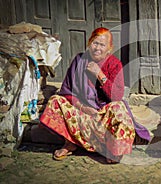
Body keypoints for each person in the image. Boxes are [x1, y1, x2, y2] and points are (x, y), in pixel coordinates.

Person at [40, 27, 150, 163]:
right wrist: (83, 107)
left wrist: (99, 74)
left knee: (119, 109)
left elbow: (116, 97)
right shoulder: (79, 61)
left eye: (102, 45)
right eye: (95, 43)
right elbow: (66, 91)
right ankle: (70, 143)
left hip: (103, 116)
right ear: (89, 44)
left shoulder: (114, 64)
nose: (97, 48)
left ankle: (112, 150)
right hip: (82, 112)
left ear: (109, 48)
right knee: (55, 101)